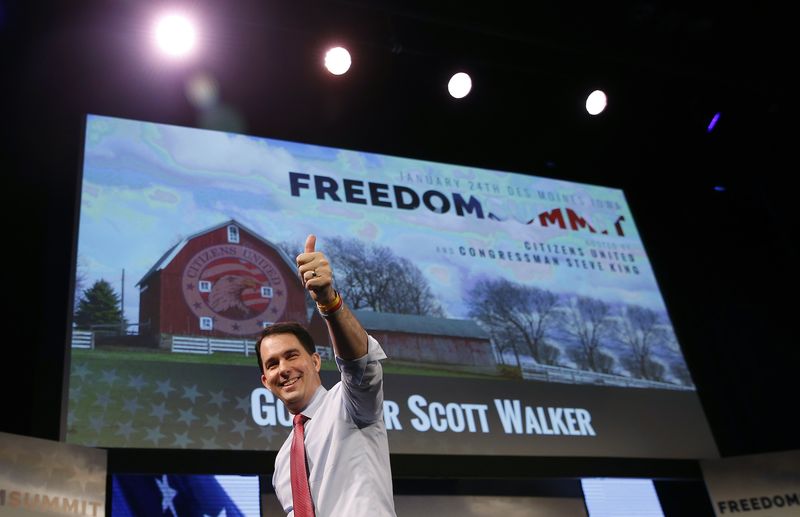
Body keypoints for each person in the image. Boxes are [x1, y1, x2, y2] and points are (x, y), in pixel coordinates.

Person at [256, 234, 396, 517]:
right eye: (272, 364)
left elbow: (359, 363)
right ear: (266, 381)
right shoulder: (283, 462)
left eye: (292, 355)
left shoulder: (349, 405)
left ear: (316, 361)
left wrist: (328, 303)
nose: (283, 368)